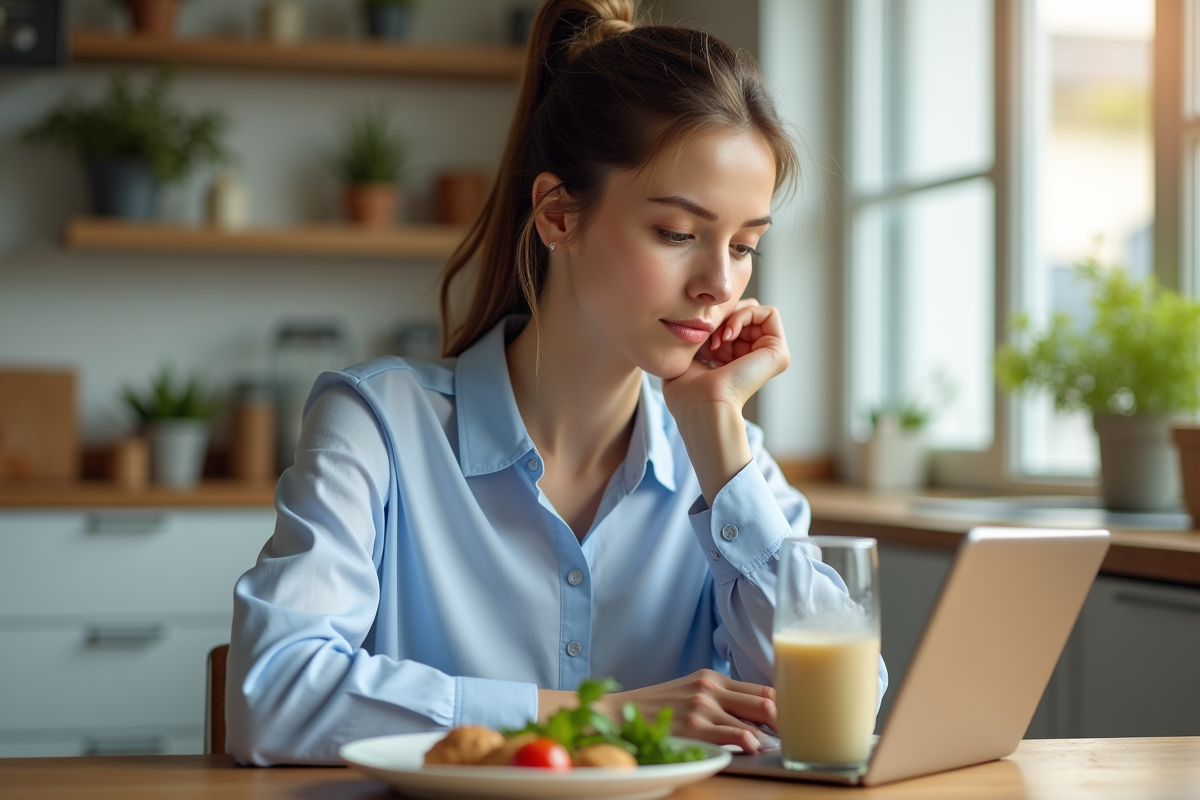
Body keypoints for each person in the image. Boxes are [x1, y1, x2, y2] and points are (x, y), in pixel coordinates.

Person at [226, 0, 887, 766]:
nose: (719, 282)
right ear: (558, 215)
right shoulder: (378, 424)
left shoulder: (727, 460)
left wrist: (721, 442)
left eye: (744, 246)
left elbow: (837, 718)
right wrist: (595, 717)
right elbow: (271, 696)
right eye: (678, 234)